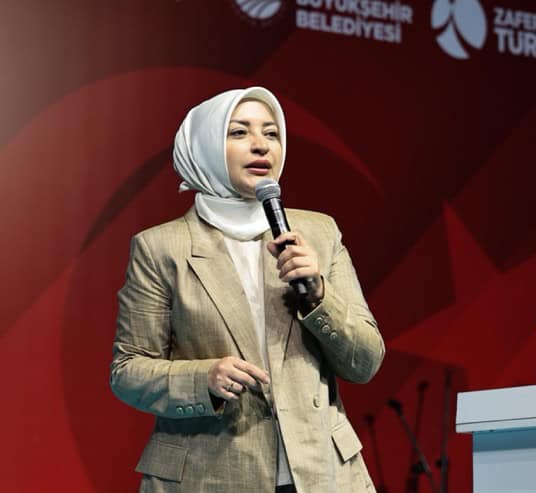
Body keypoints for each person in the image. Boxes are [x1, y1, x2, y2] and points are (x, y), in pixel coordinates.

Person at [110, 86, 385, 493]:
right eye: (239, 132)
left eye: (271, 133)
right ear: (204, 146)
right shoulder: (161, 247)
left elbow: (365, 362)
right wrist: (203, 378)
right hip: (208, 476)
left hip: (322, 475)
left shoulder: (319, 233)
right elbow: (128, 371)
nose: (261, 145)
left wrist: (319, 295)